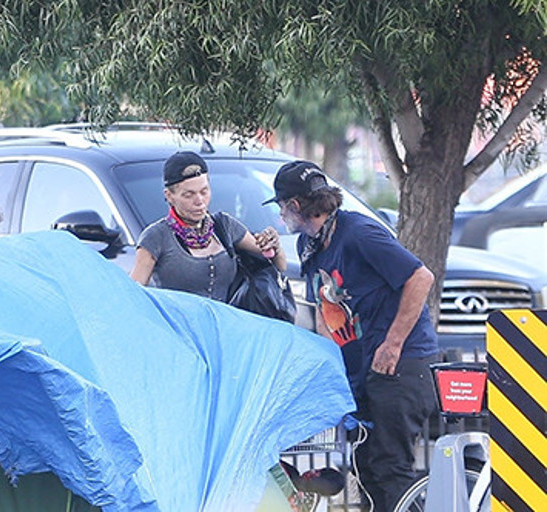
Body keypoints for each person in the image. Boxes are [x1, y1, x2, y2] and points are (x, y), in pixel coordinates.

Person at [263, 160, 440, 512]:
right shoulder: (310, 246)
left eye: (282, 206)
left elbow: (421, 278)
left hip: (400, 363)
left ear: (295, 206)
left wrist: (393, 344)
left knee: (390, 468)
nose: (281, 215)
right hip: (361, 369)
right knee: (366, 469)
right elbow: (325, 312)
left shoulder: (359, 232)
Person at [130, 151, 286, 301]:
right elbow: (133, 296)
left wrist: (273, 244)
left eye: (204, 191)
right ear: (169, 196)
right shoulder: (156, 237)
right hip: (178, 326)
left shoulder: (224, 226)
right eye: (188, 195)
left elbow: (278, 264)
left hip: (228, 324)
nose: (199, 201)